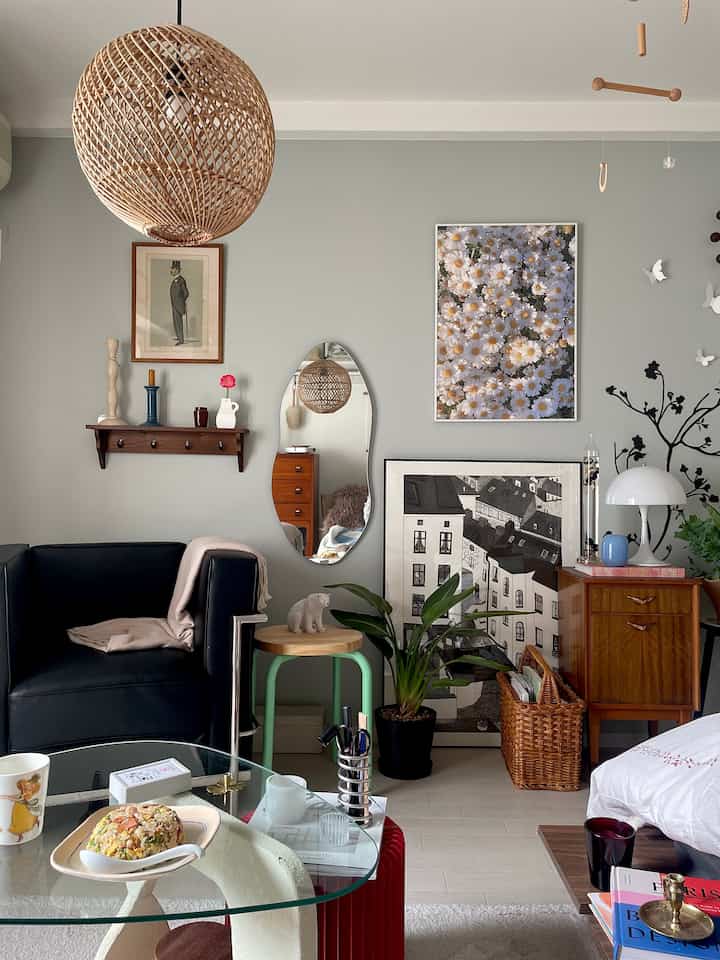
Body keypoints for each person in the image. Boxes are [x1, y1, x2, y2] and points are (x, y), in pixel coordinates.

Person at [169, 260, 189, 345]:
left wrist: (181, 301)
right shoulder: (175, 280)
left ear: (177, 270)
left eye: (172, 269)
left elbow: (186, 293)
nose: (171, 270)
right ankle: (178, 336)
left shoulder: (181, 280)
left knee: (179, 322)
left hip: (178, 305)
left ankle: (181, 340)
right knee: (175, 321)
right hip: (174, 305)